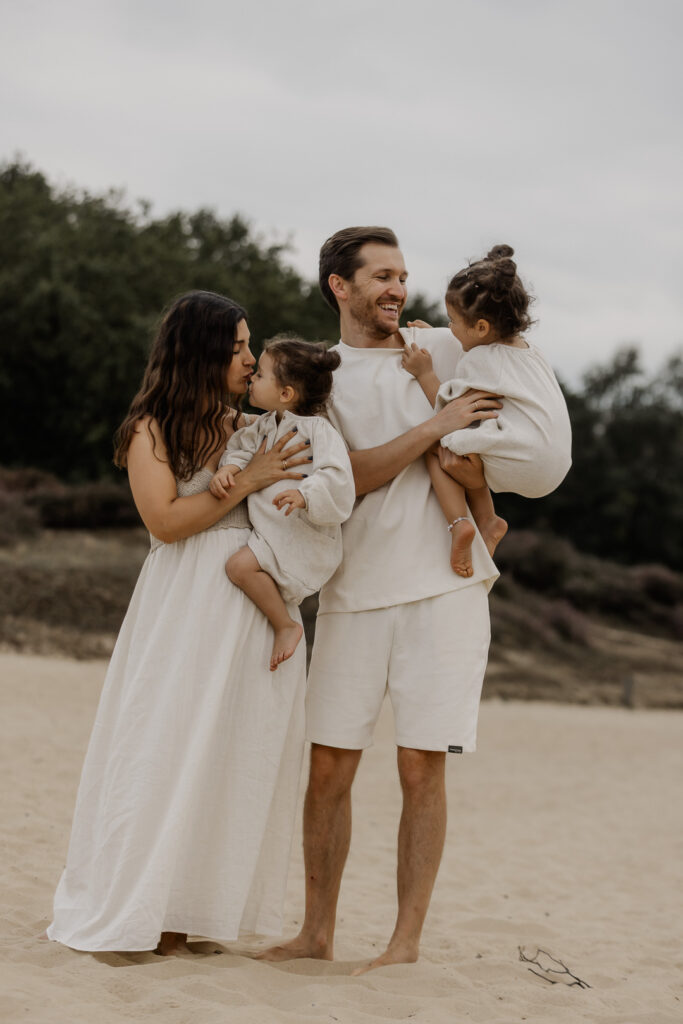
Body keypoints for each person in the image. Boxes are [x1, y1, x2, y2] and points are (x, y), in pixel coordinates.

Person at [258, 227, 502, 973]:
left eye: (402, 275)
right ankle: (316, 934)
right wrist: (434, 427)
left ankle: (404, 945)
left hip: (445, 589)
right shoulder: (317, 376)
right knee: (329, 768)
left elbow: (490, 449)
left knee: (421, 767)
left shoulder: (442, 350)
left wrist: (467, 459)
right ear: (340, 286)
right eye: (381, 276)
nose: (397, 289)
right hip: (353, 591)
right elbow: (347, 478)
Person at [47, 291, 312, 955]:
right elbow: (164, 523)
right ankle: (146, 909)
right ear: (200, 353)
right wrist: (248, 481)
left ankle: (196, 911)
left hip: (248, 608)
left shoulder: (248, 425)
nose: (249, 359)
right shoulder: (152, 429)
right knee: (165, 746)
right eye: (237, 347)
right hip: (184, 605)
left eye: (250, 346)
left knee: (231, 754)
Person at [402, 243, 572, 577]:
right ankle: (488, 520)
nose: (449, 327)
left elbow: (451, 412)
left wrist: (424, 373)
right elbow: (473, 346)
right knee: (473, 437)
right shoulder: (529, 350)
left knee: (433, 442)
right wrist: (442, 334)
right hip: (555, 463)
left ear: (481, 328)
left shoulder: (481, 359)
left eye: (452, 321)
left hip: (526, 463)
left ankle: (467, 521)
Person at [209, 335, 355, 672]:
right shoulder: (263, 426)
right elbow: (240, 449)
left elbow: (336, 475)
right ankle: (282, 622)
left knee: (238, 567)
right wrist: (228, 469)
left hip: (299, 531)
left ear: (286, 393)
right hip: (270, 530)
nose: (252, 378)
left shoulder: (318, 430)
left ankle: (285, 626)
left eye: (260, 375)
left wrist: (306, 495)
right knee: (239, 567)